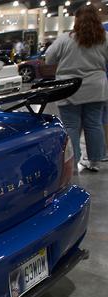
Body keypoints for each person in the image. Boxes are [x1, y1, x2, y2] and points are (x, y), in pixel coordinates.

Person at [46, 5, 108, 172]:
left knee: (71, 126)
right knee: (94, 124)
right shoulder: (105, 38)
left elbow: (49, 58)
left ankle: (72, 164)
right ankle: (95, 162)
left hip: (69, 88)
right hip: (96, 88)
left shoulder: (65, 39)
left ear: (76, 19)